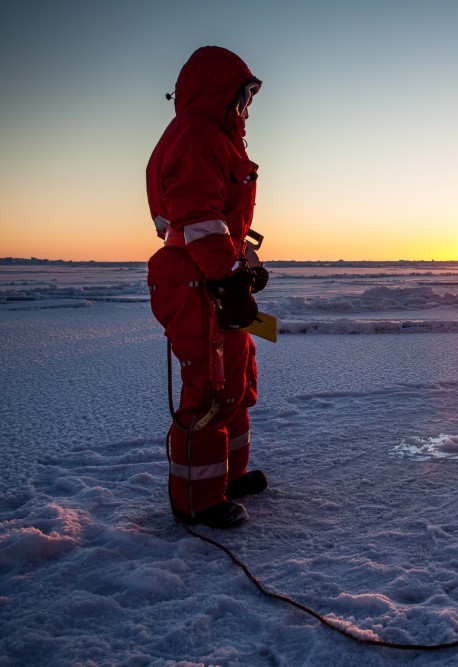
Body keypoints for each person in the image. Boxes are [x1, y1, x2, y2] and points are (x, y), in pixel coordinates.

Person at [146, 46, 270, 528]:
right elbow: (197, 220)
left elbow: (215, 221)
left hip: (211, 276)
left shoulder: (214, 140)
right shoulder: (197, 136)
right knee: (210, 388)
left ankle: (225, 476)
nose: (246, 110)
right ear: (220, 94)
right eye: (242, 99)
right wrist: (226, 276)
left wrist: (241, 267)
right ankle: (197, 501)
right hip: (197, 281)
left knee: (234, 381)